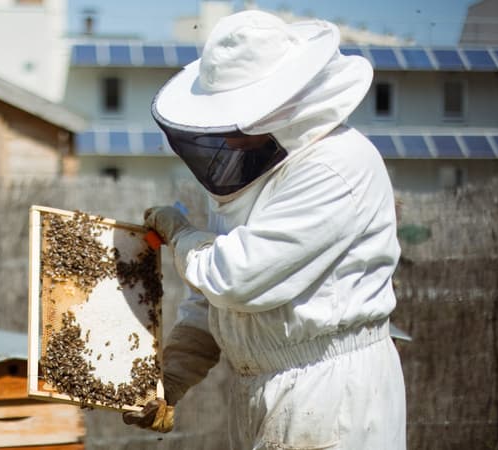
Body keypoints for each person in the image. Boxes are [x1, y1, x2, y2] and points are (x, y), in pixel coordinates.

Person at [122, 10, 407, 449]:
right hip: (263, 386)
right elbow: (215, 297)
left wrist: (180, 235)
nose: (227, 132)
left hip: (331, 393)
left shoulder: (335, 166)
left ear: (284, 103)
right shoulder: (255, 169)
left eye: (238, 114)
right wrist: (173, 375)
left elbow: (236, 278)